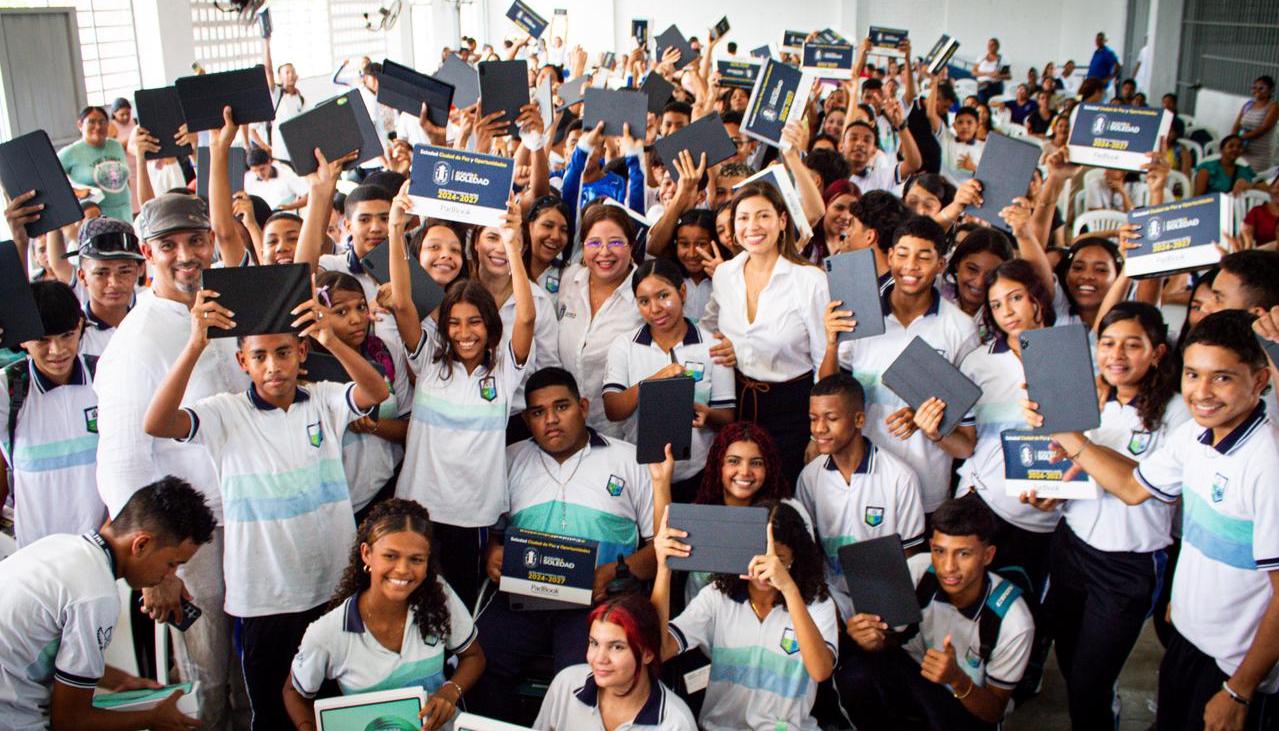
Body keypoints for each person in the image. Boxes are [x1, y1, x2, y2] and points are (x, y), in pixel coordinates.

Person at [141, 276, 389, 729]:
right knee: (275, 714)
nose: (273, 366)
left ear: (299, 353)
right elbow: (157, 422)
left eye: (282, 352)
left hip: (333, 590)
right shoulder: (222, 413)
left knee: (333, 708)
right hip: (264, 600)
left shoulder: (326, 401)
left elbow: (377, 393)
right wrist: (196, 344)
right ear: (242, 362)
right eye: (259, 356)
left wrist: (329, 338)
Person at [1023, 311, 1279, 730]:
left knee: (1092, 683)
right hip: (1190, 637)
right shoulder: (1195, 437)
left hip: (1235, 661)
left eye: (1222, 378)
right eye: (1194, 374)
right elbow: (1133, 485)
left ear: (1260, 380)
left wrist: (1239, 689)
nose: (1203, 392)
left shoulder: (1268, 463)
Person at [93, 192, 250, 729]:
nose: (186, 255)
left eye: (196, 240)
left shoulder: (223, 310)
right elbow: (122, 462)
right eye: (168, 245)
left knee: (245, 674)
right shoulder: (136, 340)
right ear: (146, 253)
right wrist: (155, 571)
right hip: (188, 541)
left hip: (245, 518)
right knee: (206, 680)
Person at [1012, 303, 1187, 728]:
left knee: (1091, 680)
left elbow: (1135, 485)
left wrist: (1069, 437)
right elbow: (1073, 467)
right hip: (1072, 548)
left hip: (1127, 565)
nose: (1117, 355)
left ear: (1158, 352)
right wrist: (1053, 494)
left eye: (1133, 345)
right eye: (1108, 343)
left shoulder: (1179, 413)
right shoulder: (1087, 395)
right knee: (1072, 665)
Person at [471, 367, 656, 721]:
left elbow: (658, 546)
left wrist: (616, 571)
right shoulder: (508, 460)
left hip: (598, 601)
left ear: (583, 406)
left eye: (561, 407)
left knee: (582, 678)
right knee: (477, 658)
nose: (550, 420)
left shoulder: (628, 459)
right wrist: (493, 553)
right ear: (526, 419)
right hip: (523, 599)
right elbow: (493, 535)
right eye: (538, 412)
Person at [388, 190, 535, 609]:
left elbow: (525, 316)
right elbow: (401, 303)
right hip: (419, 512)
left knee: (458, 613)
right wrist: (397, 226)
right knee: (413, 606)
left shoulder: (504, 372)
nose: (465, 332)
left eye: (475, 322)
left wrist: (512, 244)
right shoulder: (430, 363)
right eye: (454, 323)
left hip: (474, 519)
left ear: (490, 326)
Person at [0, 476, 214, 731]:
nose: (170, 577)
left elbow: (46, 652)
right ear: (141, 544)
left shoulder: (59, 545)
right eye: (172, 564)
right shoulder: (96, 594)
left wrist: (121, 680)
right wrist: (153, 718)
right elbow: (70, 722)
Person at [821, 215, 980, 515]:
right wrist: (831, 342)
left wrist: (928, 421)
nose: (911, 266)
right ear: (890, 256)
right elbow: (826, 394)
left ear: (941, 265)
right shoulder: (859, 314)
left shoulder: (960, 328)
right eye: (903, 254)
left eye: (924, 257)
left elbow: (966, 443)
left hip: (927, 487)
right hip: (860, 478)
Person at [284, 499, 486, 731]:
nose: (402, 569)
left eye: (416, 559)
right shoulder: (327, 633)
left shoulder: (439, 597)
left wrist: (450, 692)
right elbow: (293, 692)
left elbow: (474, 657)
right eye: (390, 556)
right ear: (366, 554)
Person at [839, 496, 1034, 731]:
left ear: (988, 555)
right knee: (854, 674)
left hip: (965, 706)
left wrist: (958, 680)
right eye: (940, 551)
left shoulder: (1014, 621)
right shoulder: (920, 570)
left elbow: (994, 711)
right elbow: (889, 643)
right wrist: (870, 638)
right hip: (916, 679)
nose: (948, 566)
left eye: (963, 554)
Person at [652, 499, 837, 730]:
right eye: (755, 556)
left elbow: (820, 671)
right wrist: (663, 569)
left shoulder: (817, 603)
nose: (763, 571)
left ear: (795, 557)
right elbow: (658, 649)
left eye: (778, 561)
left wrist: (789, 589)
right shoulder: (716, 597)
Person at [700, 181, 829, 484]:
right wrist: (725, 347)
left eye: (763, 216)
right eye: (743, 218)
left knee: (783, 497)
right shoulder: (725, 274)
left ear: (782, 221)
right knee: (739, 492)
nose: (752, 226)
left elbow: (824, 359)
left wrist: (816, 432)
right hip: (738, 404)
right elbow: (708, 329)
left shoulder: (809, 281)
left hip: (792, 408)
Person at [602, 260, 735, 502]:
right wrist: (652, 382)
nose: (655, 309)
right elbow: (613, 409)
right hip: (641, 472)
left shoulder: (713, 347)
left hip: (697, 473)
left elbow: (726, 416)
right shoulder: (625, 345)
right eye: (644, 301)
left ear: (682, 292)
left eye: (663, 296)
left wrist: (706, 413)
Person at [797, 373, 925, 620]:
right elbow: (809, 551)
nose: (819, 429)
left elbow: (913, 557)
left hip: (885, 599)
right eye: (813, 419)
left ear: (859, 419)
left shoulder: (899, 477)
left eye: (831, 418)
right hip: (830, 597)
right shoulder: (810, 477)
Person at [0, 280, 107, 548]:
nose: (57, 351)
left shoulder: (106, 375)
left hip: (101, 552)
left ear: (80, 326)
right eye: (42, 340)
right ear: (22, 339)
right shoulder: (8, 389)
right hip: (36, 557)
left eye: (66, 336)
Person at [307, 270, 411, 518]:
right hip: (332, 503)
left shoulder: (384, 354)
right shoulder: (307, 369)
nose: (356, 319)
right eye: (341, 312)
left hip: (387, 487)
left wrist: (373, 425)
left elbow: (411, 428)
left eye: (361, 307)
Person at [534, 593, 697, 730]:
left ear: (648, 653)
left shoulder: (676, 722)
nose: (599, 658)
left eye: (617, 647)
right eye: (594, 643)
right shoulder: (566, 684)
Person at [556, 203, 646, 436]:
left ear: (631, 246)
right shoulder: (568, 279)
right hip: (567, 430)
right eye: (594, 243)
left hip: (619, 433)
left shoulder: (646, 292)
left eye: (615, 242)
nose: (604, 252)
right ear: (583, 246)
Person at [59, 106, 132, 222]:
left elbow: (125, 179)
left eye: (102, 122)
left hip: (125, 213)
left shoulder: (116, 146)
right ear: (80, 125)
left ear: (108, 124)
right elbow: (51, 182)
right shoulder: (70, 153)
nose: (97, 127)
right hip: (95, 220)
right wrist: (76, 192)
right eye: (91, 122)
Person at [1232, 75, 1277, 171]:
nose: (1257, 91)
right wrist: (1234, 140)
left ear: (1270, 90)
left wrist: (1242, 138)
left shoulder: (1273, 106)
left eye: (1262, 88)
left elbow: (1264, 128)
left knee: (1252, 180)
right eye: (1254, 88)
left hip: (1259, 154)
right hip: (1241, 150)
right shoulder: (1248, 105)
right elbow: (1236, 125)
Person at [243, 148, 308, 211]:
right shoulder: (248, 178)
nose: (259, 174)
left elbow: (308, 196)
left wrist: (289, 207)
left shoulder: (286, 174)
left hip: (284, 215)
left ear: (269, 162)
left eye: (262, 169)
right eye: (255, 171)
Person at [1242, 173, 1279, 247]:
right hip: (1261, 255)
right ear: (1270, 189)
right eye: (1278, 187)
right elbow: (1245, 237)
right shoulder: (1257, 212)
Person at [1086, 32, 1121, 97]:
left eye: (1100, 39)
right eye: (1097, 40)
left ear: (1104, 40)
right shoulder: (1096, 52)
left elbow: (1118, 66)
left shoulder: (1108, 52)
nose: (1098, 41)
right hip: (1091, 84)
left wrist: (1109, 78)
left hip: (1101, 86)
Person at [973, 38, 1006, 103]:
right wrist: (987, 74)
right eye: (989, 45)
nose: (990, 47)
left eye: (992, 45)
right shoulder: (981, 57)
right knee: (982, 103)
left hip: (995, 85)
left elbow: (1008, 75)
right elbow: (973, 72)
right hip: (982, 85)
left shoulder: (1002, 59)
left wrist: (998, 76)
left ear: (997, 47)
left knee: (994, 104)